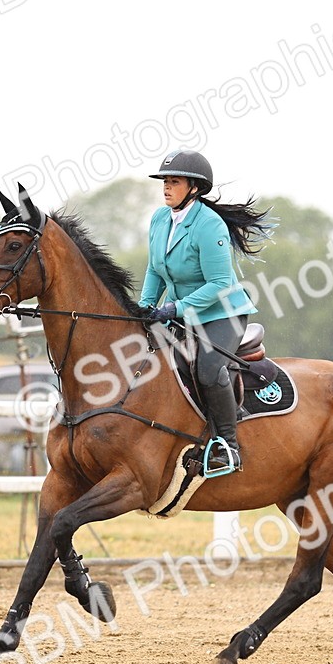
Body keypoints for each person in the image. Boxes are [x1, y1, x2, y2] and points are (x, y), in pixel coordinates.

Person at [139, 149, 272, 473]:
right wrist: (144, 306)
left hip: (221, 313)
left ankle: (228, 445)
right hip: (180, 311)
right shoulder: (159, 219)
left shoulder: (209, 224)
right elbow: (155, 269)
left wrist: (177, 307)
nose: (166, 187)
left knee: (209, 369)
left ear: (194, 188)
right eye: (165, 181)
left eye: (174, 182)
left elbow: (220, 283)